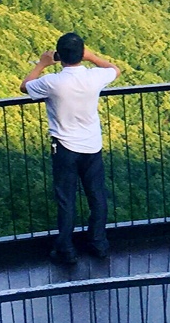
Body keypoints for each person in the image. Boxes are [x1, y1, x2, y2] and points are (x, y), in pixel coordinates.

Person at [22, 32, 122, 265]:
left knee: (66, 199)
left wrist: (42, 64)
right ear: (81, 54)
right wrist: (92, 57)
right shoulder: (94, 77)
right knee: (97, 196)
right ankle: (98, 243)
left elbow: (25, 87)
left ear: (59, 55)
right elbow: (115, 69)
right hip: (92, 145)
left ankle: (66, 249)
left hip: (64, 147)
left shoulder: (52, 82)